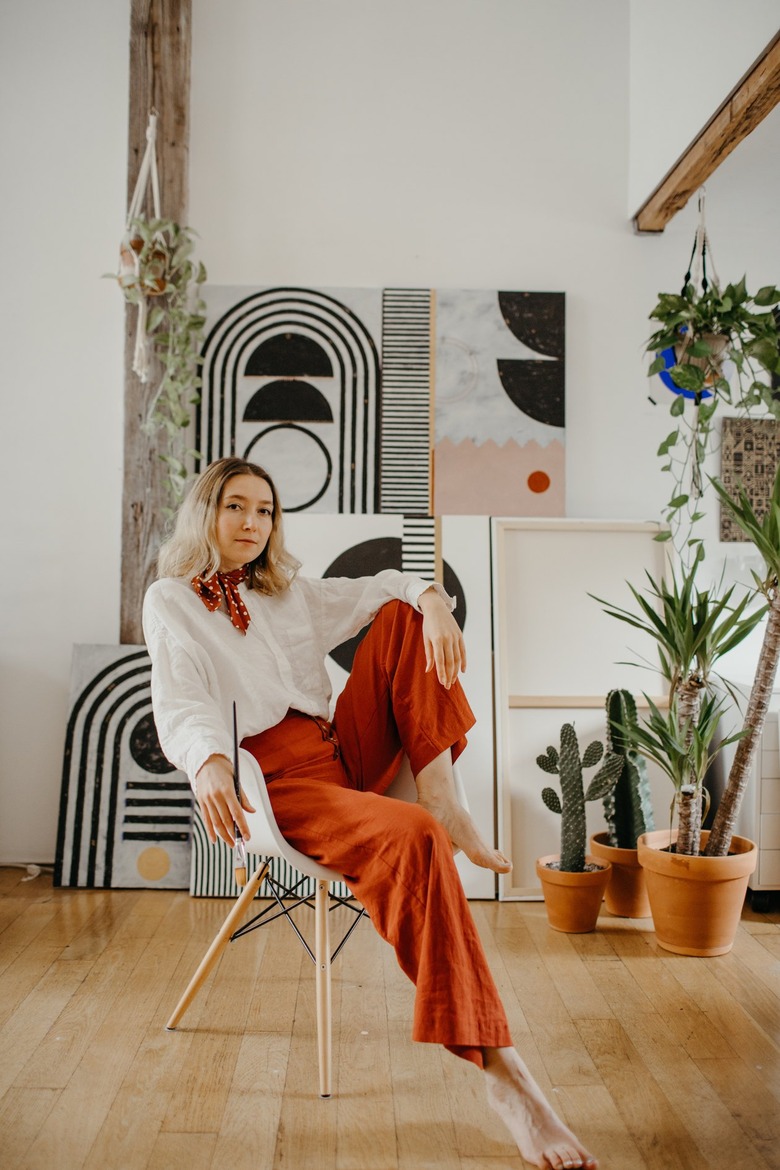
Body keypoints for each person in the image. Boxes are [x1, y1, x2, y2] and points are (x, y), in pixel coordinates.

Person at [143, 456, 598, 1170]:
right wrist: (208, 763)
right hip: (277, 782)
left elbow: (387, 586)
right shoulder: (172, 599)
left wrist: (436, 601)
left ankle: (443, 797)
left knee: (399, 617)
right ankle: (505, 1074)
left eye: (265, 510)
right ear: (206, 512)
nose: (252, 522)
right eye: (236, 506)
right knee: (411, 833)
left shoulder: (287, 593)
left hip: (342, 754)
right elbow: (179, 698)